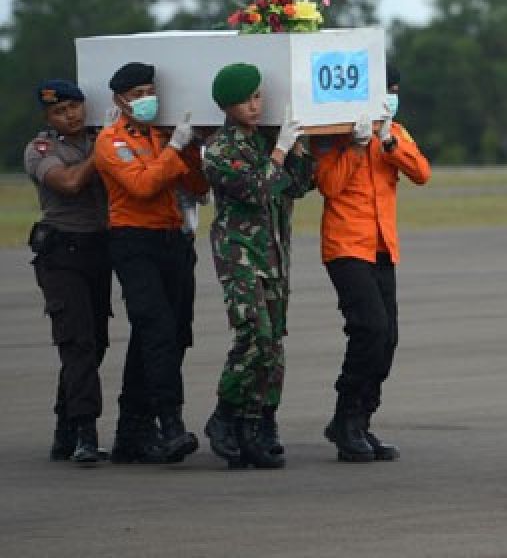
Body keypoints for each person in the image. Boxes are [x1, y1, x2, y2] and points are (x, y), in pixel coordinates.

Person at [94, 61, 209, 464]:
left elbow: (198, 186)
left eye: (150, 92)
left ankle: (132, 431)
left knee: (170, 333)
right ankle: (170, 424)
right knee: (155, 328)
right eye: (138, 95)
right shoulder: (111, 141)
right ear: (119, 100)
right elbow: (141, 186)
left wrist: (192, 147)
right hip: (133, 241)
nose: (146, 101)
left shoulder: (165, 134)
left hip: (174, 241)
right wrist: (175, 149)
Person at [202, 63, 313, 469]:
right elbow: (257, 187)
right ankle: (224, 414)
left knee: (274, 343)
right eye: (245, 100)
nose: (254, 105)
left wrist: (298, 150)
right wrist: (281, 150)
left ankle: (257, 424)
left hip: (274, 253)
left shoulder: (266, 143)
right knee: (254, 335)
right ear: (227, 106)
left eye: (257, 97)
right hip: (240, 253)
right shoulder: (219, 149)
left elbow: (297, 187)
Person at [314, 95, 431, 461]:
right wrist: (354, 146)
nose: (391, 97)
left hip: (382, 245)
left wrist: (387, 142)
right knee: (370, 328)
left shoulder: (394, 131)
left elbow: (421, 173)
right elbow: (329, 186)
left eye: (395, 90)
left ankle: (361, 420)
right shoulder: (331, 135)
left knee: (388, 339)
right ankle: (345, 418)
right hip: (346, 245)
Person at [25, 80, 113, 464]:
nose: (70, 115)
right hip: (62, 253)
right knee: (78, 343)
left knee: (97, 341)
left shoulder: (99, 137)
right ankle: (84, 433)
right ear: (48, 117)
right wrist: (107, 146)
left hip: (98, 251)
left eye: (75, 107)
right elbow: (71, 182)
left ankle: (64, 428)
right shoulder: (42, 149)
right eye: (60, 111)